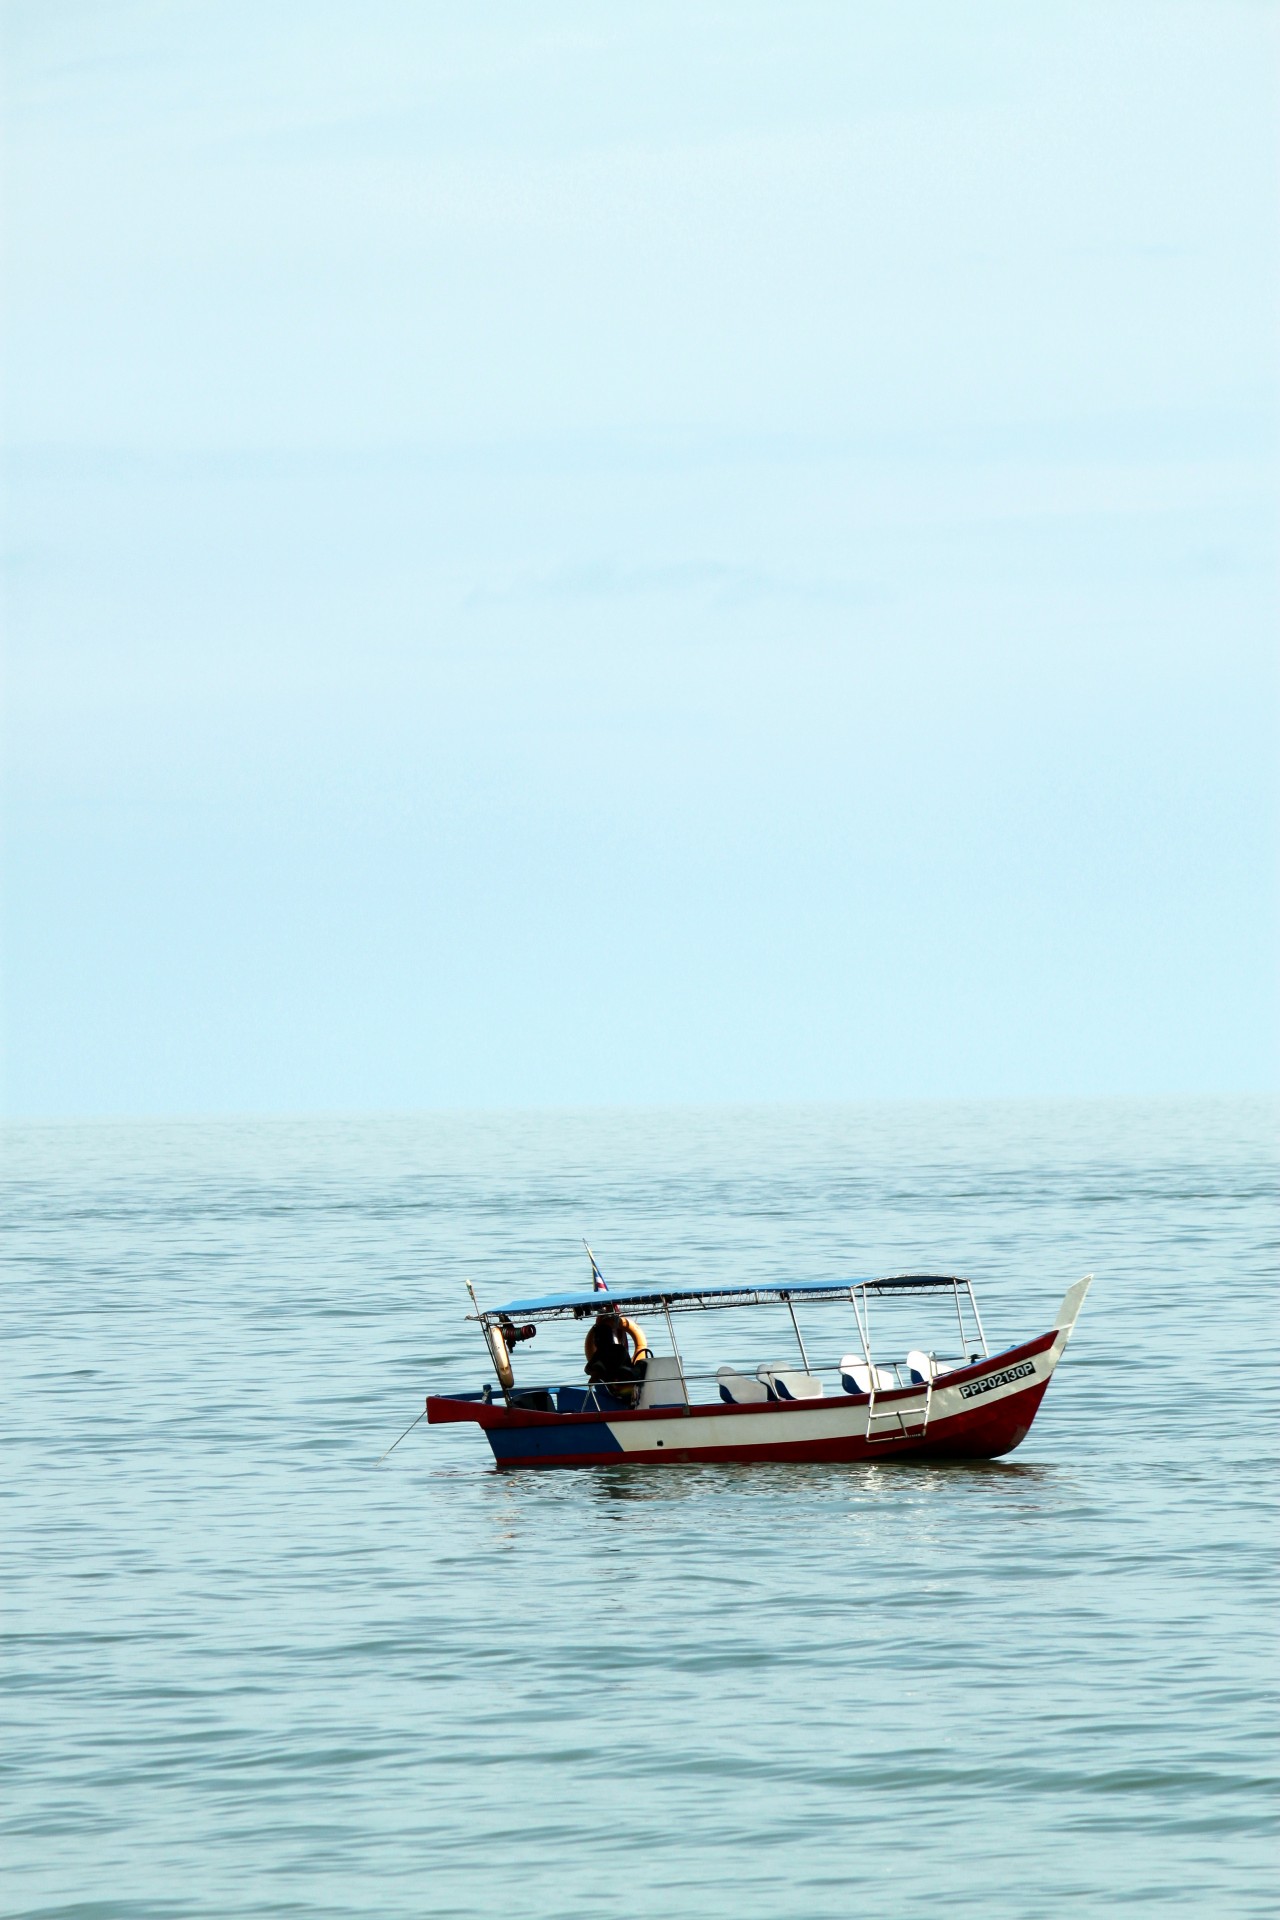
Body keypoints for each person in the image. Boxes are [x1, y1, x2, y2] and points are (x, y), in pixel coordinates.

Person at [584, 1304, 649, 1403]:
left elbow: (587, 1369)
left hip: (616, 1387)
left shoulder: (602, 1353)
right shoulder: (619, 1349)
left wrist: (598, 1371)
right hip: (621, 1388)